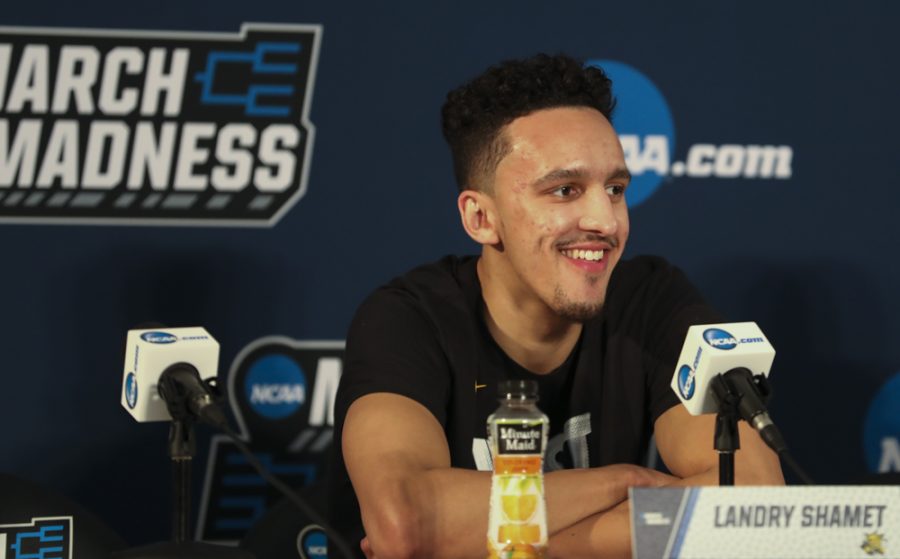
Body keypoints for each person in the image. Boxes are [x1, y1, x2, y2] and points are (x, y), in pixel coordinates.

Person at [328, 53, 784, 559]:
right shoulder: (408, 320)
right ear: (481, 217)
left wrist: (492, 542)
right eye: (565, 190)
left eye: (614, 189)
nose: (606, 222)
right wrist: (625, 483)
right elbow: (407, 525)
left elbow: (753, 503)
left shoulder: (651, 301)